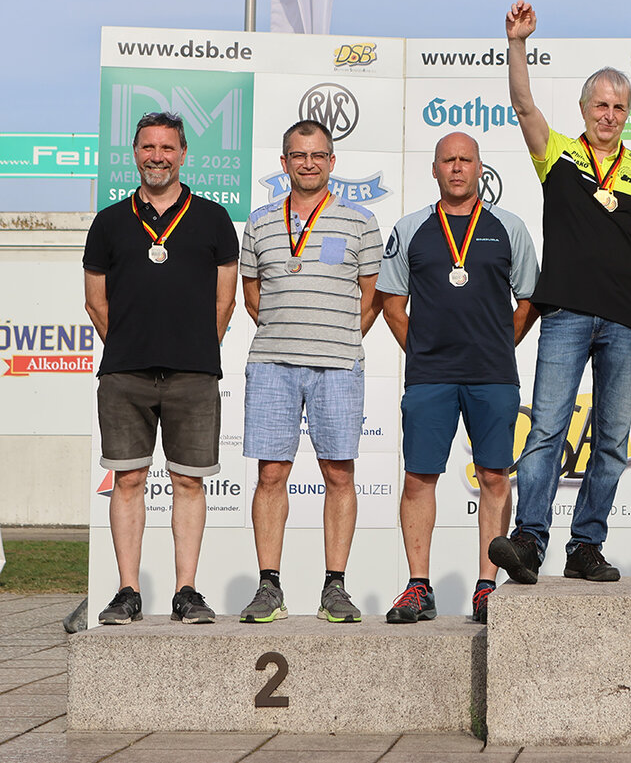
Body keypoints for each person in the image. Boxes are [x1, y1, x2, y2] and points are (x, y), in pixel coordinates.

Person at [487, 0, 631, 583]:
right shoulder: (558, 153)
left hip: (626, 321)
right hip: (564, 314)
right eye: (600, 105)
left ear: (628, 114)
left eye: (619, 107)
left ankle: (585, 545)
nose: (609, 115)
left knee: (611, 440)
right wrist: (518, 43)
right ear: (584, 109)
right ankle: (529, 541)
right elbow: (523, 104)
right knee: (545, 430)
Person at [377, 133, 539, 624]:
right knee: (418, 477)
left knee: (494, 476)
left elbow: (529, 300)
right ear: (434, 169)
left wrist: (498, 345)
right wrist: (424, 354)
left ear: (479, 168)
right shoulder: (410, 228)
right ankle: (419, 586)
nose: (456, 167)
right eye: (447, 160)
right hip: (430, 377)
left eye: (465, 160)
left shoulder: (509, 227)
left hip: (493, 375)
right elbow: (392, 304)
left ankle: (487, 586)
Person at [83, 111, 238, 625]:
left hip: (193, 374)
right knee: (127, 481)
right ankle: (127, 591)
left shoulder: (213, 218)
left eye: (167, 147)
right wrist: (130, 345)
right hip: (124, 374)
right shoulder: (109, 221)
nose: (157, 156)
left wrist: (195, 348)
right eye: (148, 147)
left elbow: (224, 302)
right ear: (135, 153)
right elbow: (95, 302)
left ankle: (186, 591)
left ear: (183, 154)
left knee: (189, 482)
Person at [238, 119, 382, 623]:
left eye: (318, 155)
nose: (308, 163)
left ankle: (334, 587)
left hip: (338, 364)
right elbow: (252, 295)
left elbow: (372, 298)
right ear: (284, 162)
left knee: (339, 473)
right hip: (272, 364)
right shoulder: (259, 222)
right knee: (271, 473)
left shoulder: (361, 221)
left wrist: (337, 336)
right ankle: (269, 586)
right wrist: (289, 330)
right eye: (298, 155)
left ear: (332, 162)